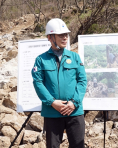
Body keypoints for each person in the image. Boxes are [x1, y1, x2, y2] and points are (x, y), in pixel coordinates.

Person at [31, 18, 87, 148]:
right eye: (61, 35)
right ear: (50, 37)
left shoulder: (75, 57)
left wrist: (74, 102)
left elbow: (82, 81)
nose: (65, 38)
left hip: (74, 111)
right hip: (52, 112)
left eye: (66, 35)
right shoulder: (41, 60)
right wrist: (52, 102)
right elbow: (38, 82)